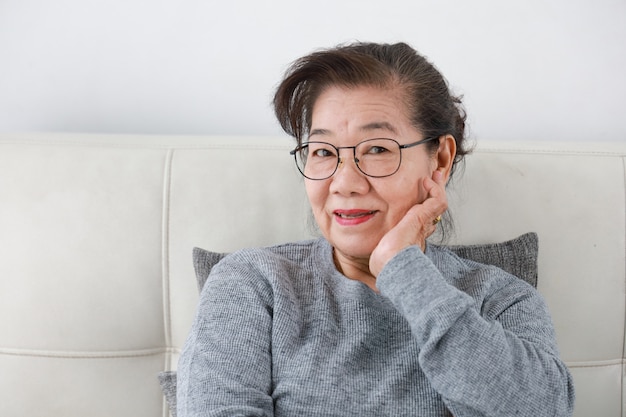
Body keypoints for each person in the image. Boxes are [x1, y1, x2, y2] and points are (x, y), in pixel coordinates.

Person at [177, 41, 575, 416]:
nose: (344, 182)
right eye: (322, 152)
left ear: (440, 161)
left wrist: (403, 270)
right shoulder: (253, 283)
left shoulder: (500, 299)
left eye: (378, 149)